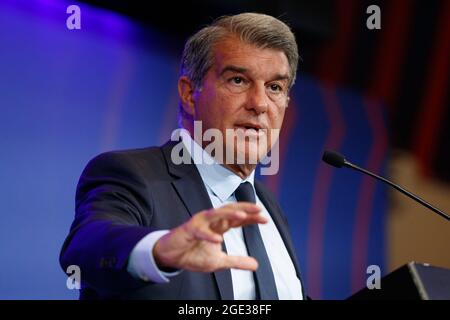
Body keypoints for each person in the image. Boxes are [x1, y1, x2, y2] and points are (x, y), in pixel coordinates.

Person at [60, 12, 305, 300]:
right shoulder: (130, 174)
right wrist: (159, 249)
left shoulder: (268, 206)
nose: (260, 104)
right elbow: (86, 247)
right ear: (190, 94)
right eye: (238, 80)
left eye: (275, 87)